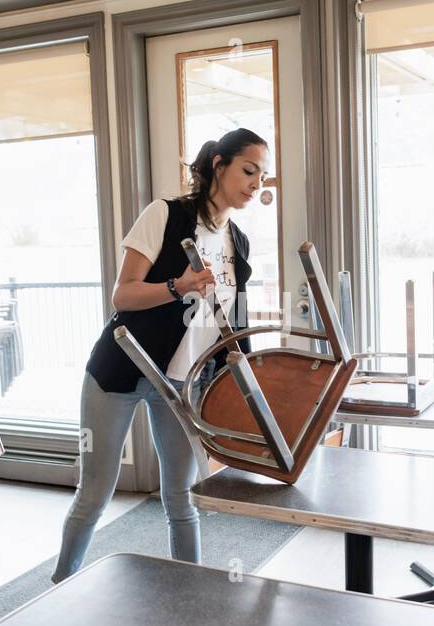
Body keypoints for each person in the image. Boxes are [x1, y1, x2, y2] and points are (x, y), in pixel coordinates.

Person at [51, 127, 271, 582]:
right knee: (95, 493)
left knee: (182, 496)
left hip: (182, 383)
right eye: (249, 171)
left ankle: (190, 590)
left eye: (263, 177)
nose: (256, 184)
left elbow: (233, 325)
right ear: (219, 165)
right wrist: (178, 286)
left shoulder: (238, 242)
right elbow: (123, 296)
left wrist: (246, 382)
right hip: (121, 370)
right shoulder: (165, 215)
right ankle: (60, 584)